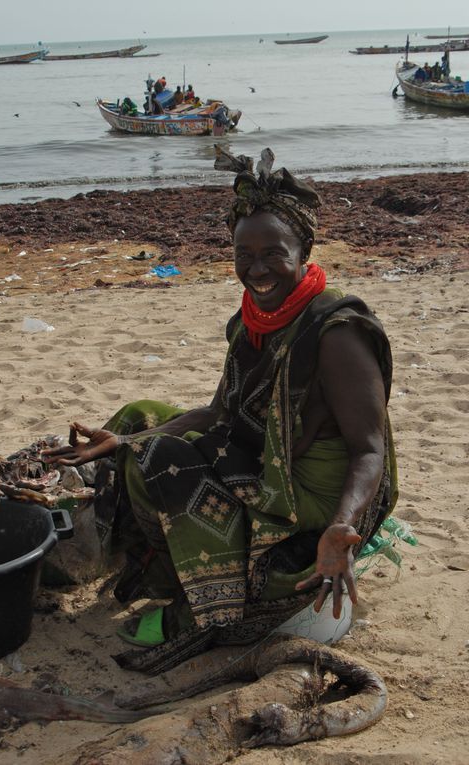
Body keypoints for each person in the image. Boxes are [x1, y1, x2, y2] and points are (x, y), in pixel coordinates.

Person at [43, 146, 397, 671]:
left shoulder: (336, 333)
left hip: (315, 493)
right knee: (143, 416)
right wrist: (125, 441)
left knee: (165, 460)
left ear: (304, 250)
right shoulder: (252, 319)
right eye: (244, 255)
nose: (257, 269)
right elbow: (216, 413)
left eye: (273, 254)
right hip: (269, 455)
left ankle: (202, 610)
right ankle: (162, 573)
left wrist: (342, 525)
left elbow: (370, 450)